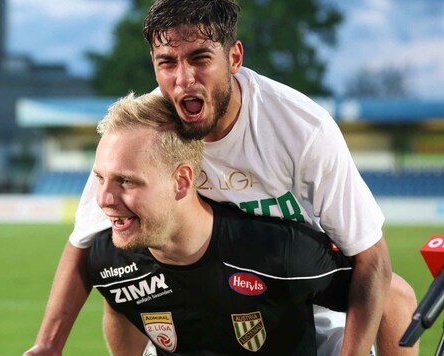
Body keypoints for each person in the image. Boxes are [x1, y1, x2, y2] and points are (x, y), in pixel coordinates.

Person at [25, 0, 416, 355]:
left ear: (234, 57)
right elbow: (84, 244)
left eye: (199, 58)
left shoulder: (300, 129)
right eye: (167, 62)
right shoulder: (150, 130)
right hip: (197, 307)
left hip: (303, 304)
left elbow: (373, 260)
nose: (183, 79)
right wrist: (48, 344)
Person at [87, 92, 357, 355]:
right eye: (100, 178)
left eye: (126, 180)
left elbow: (390, 295)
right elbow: (118, 300)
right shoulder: (108, 256)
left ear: (181, 182)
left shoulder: (279, 253)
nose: (103, 199)